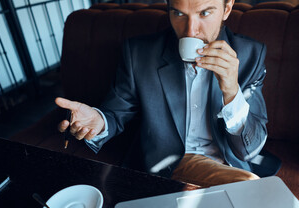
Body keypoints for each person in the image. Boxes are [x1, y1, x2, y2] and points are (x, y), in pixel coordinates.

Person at [55, 0, 271, 187]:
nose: (190, 31)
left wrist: (232, 91)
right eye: (178, 13)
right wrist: (97, 121)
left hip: (228, 167)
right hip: (165, 168)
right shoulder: (139, 54)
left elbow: (250, 149)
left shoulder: (250, 56)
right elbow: (116, 112)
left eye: (204, 13)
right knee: (249, 190)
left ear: (227, 8)